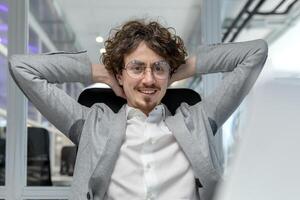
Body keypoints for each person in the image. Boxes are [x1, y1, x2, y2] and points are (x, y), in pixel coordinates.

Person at [9, 19, 268, 200]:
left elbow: (256, 52)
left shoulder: (198, 118)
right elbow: (22, 68)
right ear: (121, 74)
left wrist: (183, 69)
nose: (148, 79)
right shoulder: (91, 123)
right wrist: (100, 72)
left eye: (158, 68)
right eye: (136, 68)